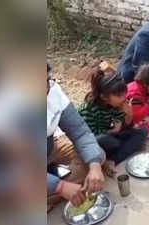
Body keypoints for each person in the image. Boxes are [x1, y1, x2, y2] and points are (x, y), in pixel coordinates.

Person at [47, 64, 105, 211]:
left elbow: (80, 132)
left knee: (97, 158)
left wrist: (95, 166)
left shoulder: (52, 90)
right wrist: (59, 186)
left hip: (49, 147)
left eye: (46, 81)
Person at [78, 67, 147, 177]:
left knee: (141, 133)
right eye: (119, 96)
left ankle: (112, 160)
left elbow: (126, 127)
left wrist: (129, 115)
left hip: (111, 135)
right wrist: (110, 132)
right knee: (110, 142)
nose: (124, 98)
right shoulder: (87, 110)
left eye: (124, 94)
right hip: (96, 141)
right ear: (104, 97)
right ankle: (111, 157)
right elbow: (88, 138)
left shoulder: (117, 105)